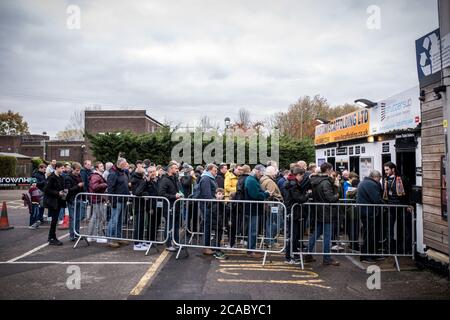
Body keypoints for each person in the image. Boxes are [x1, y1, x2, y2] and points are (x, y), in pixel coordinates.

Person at [305, 162, 340, 266]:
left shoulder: (315, 180)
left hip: (318, 210)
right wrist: (337, 193)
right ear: (328, 170)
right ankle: (327, 258)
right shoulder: (326, 182)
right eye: (332, 170)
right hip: (326, 211)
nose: (332, 172)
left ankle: (308, 253)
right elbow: (330, 198)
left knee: (317, 233)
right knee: (327, 235)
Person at [383, 161, 413, 254]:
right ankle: (390, 249)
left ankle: (407, 249)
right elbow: (385, 194)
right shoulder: (386, 180)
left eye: (387, 170)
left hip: (402, 206)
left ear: (393, 169)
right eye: (385, 170)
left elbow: (409, 192)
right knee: (389, 229)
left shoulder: (402, 179)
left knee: (405, 229)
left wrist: (410, 204)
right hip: (391, 207)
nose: (386, 172)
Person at [357, 170, 384, 263]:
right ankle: (366, 256)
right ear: (375, 177)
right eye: (379, 179)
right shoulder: (371, 184)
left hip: (366, 212)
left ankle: (372, 254)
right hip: (370, 213)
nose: (379, 181)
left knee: (371, 234)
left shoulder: (364, 182)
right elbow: (376, 199)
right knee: (370, 234)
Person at [244, 164, 271, 258]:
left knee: (253, 230)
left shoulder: (252, 179)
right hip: (253, 209)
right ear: (257, 171)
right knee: (253, 231)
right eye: (261, 173)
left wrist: (263, 193)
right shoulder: (251, 180)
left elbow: (257, 192)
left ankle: (251, 249)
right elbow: (255, 195)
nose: (262, 175)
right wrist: (266, 194)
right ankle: (251, 251)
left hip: (254, 208)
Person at [284, 167, 309, 264]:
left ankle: (293, 254)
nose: (302, 178)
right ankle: (289, 256)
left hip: (294, 211)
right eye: (302, 176)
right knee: (292, 235)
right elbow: (299, 198)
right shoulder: (293, 184)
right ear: (298, 175)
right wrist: (307, 195)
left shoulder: (292, 183)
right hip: (293, 211)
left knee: (294, 234)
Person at [158, 162, 183, 251]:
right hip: (169, 207)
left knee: (176, 226)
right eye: (175, 168)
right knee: (169, 226)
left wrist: (180, 194)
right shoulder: (165, 180)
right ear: (170, 169)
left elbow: (176, 190)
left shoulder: (175, 179)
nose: (177, 170)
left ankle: (176, 243)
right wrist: (174, 196)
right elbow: (161, 193)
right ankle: (168, 244)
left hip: (176, 206)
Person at [107, 158, 130, 248]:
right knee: (114, 220)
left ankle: (118, 237)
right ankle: (110, 239)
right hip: (117, 200)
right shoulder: (113, 174)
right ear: (120, 164)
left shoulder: (123, 173)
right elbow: (111, 188)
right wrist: (112, 201)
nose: (126, 165)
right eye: (124, 164)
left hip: (123, 200)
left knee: (120, 221)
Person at [197, 164, 219, 256]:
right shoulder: (206, 179)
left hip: (209, 206)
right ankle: (206, 247)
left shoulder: (208, 178)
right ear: (209, 170)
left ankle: (208, 246)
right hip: (207, 206)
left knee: (208, 226)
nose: (216, 172)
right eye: (215, 170)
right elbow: (207, 195)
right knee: (207, 226)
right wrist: (215, 199)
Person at [260, 166, 283, 246]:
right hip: (273, 204)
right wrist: (279, 197)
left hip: (270, 204)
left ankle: (270, 240)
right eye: (275, 172)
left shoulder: (264, 179)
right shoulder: (269, 181)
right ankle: (270, 241)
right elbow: (271, 193)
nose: (276, 174)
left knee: (270, 222)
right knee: (275, 222)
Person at [44, 162, 67, 246]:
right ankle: (51, 238)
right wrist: (57, 193)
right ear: (57, 168)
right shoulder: (51, 177)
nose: (63, 170)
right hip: (53, 202)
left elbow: (62, 188)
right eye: (61, 168)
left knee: (55, 220)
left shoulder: (61, 177)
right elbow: (46, 190)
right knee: (54, 221)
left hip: (59, 201)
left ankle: (53, 237)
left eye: (63, 168)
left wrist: (64, 192)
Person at [131, 166, 150, 251]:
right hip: (139, 205)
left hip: (140, 204)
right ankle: (137, 243)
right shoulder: (140, 181)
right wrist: (145, 193)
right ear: (142, 173)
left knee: (141, 224)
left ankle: (140, 241)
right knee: (138, 225)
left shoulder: (137, 179)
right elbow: (137, 192)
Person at [87, 162, 108, 243]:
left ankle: (93, 235)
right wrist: (105, 184)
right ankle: (95, 235)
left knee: (97, 217)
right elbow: (94, 187)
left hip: (98, 199)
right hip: (97, 199)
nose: (103, 167)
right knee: (97, 217)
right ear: (97, 168)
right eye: (101, 166)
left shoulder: (98, 175)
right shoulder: (95, 176)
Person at [65, 162, 84, 242]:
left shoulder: (79, 176)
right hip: (72, 200)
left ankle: (77, 234)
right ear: (72, 169)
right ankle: (72, 235)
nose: (78, 172)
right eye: (77, 170)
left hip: (79, 198)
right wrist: (78, 186)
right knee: (73, 218)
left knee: (78, 218)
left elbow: (82, 188)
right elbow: (68, 190)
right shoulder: (68, 178)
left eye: (79, 170)